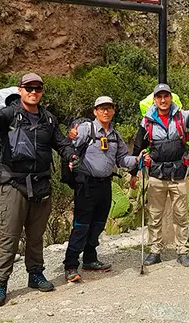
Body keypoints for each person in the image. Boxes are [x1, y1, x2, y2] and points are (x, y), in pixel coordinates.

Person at [0, 73, 77, 307]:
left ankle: (35, 274)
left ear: (42, 92)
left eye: (38, 88)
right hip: (13, 184)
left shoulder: (48, 119)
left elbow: (61, 143)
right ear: (20, 90)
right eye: (29, 87)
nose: (33, 92)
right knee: (9, 237)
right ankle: (0, 284)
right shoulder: (10, 114)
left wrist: (71, 155)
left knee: (36, 236)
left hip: (41, 184)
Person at [132, 82, 189, 267]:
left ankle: (182, 251)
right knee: (155, 215)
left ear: (171, 98)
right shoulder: (147, 121)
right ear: (155, 100)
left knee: (181, 215)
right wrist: (133, 173)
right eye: (159, 97)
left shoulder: (182, 116)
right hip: (156, 176)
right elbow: (138, 146)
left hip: (179, 175)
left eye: (166, 96)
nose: (163, 100)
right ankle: (155, 251)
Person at [62, 96, 150, 283]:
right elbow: (68, 147)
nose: (105, 111)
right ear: (95, 111)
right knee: (81, 225)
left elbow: (122, 160)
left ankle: (90, 259)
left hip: (105, 185)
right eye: (101, 108)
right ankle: (70, 265)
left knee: (98, 224)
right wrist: (70, 146)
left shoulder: (115, 136)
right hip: (85, 185)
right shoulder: (87, 129)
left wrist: (138, 160)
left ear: (113, 111)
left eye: (109, 108)